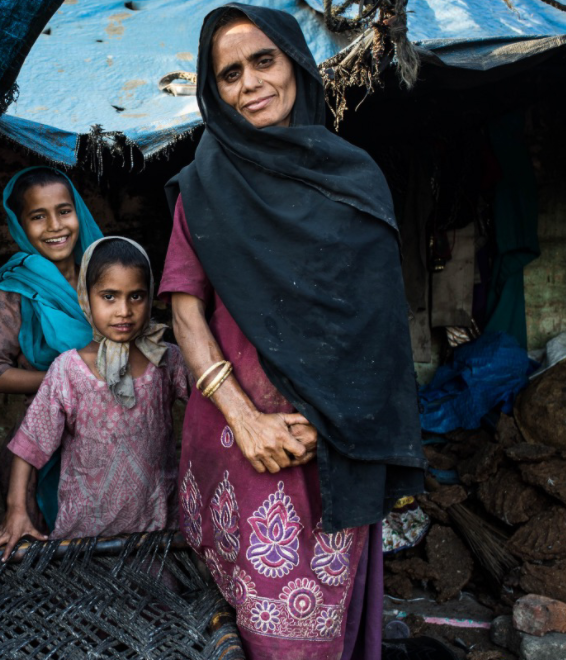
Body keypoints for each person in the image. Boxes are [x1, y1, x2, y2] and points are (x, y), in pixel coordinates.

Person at [158, 5, 426, 659]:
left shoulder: (353, 178)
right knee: (234, 631)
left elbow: (377, 326)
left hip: (329, 445)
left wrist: (333, 420)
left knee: (312, 632)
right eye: (227, 74)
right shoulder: (203, 187)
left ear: (295, 65)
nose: (249, 83)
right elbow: (185, 310)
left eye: (262, 61)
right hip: (234, 437)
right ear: (211, 90)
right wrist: (245, 417)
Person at [0, 237, 190, 561]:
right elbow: (28, 447)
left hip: (157, 531)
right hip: (85, 535)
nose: (124, 311)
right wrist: (16, 511)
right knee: (90, 607)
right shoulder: (67, 371)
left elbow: (207, 410)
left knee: (153, 607)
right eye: (109, 297)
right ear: (85, 299)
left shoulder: (166, 360)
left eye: (136, 296)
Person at [0, 167, 103, 535]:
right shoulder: (14, 289)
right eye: (38, 216)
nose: (55, 226)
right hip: (40, 450)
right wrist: (71, 375)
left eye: (64, 211)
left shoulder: (103, 278)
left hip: (106, 440)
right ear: (19, 224)